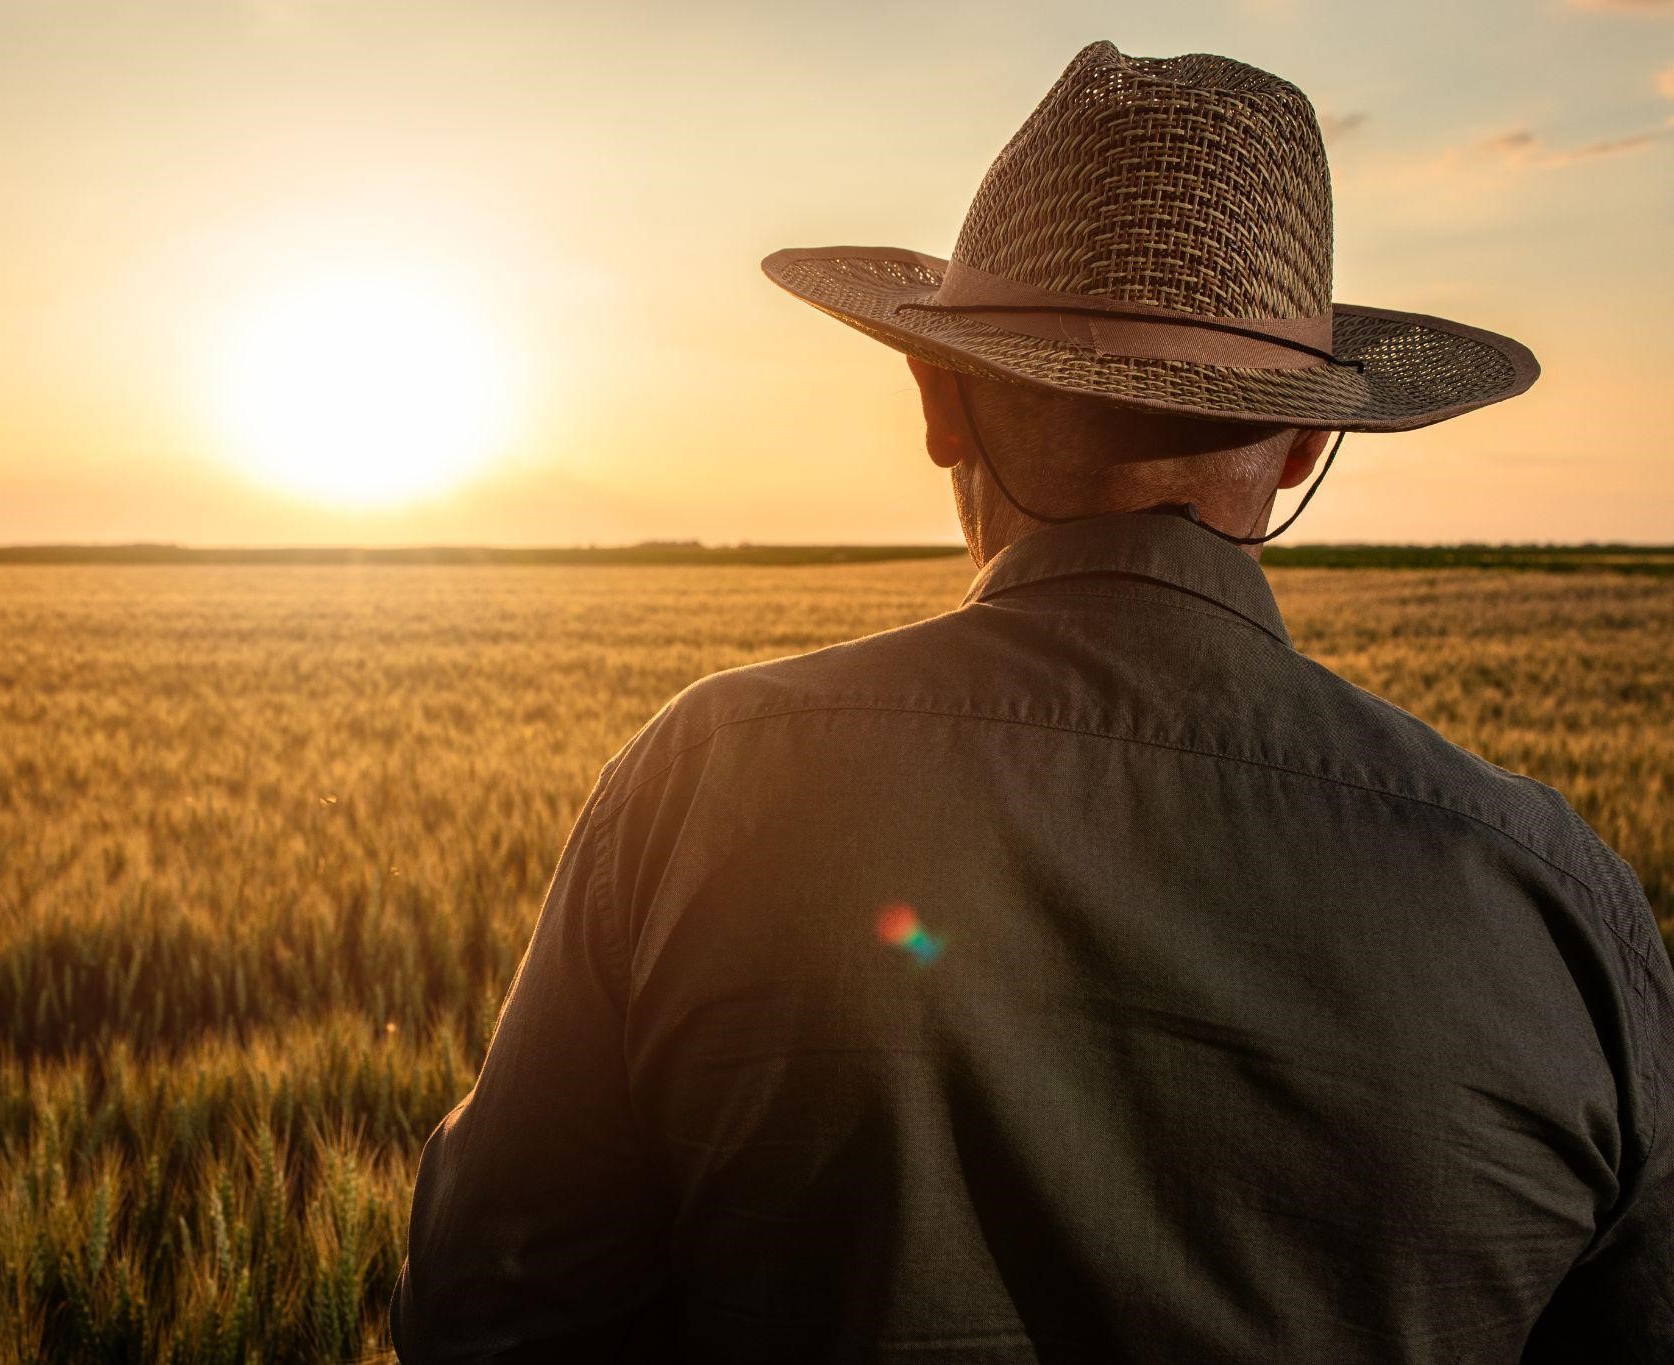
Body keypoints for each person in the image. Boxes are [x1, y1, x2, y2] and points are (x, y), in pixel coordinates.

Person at [391, 40, 1674, 1363]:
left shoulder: (706, 783)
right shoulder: (1549, 899)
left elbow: (494, 1312)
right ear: (1303, 445)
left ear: (938, 400)